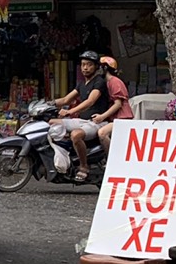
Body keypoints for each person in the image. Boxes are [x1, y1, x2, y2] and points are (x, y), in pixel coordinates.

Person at [49, 50, 106, 183]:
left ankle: (84, 166)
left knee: (76, 135)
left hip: (95, 122)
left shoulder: (99, 82)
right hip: (81, 120)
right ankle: (64, 159)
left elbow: (90, 101)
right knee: (51, 123)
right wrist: (49, 104)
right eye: (83, 65)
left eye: (89, 65)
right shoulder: (81, 83)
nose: (85, 68)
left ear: (96, 67)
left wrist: (70, 111)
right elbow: (65, 100)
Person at [94, 56, 134, 150]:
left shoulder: (114, 82)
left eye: (99, 67)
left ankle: (110, 158)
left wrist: (102, 116)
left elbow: (118, 104)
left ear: (105, 68)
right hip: (115, 118)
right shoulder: (106, 82)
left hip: (122, 118)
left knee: (102, 133)